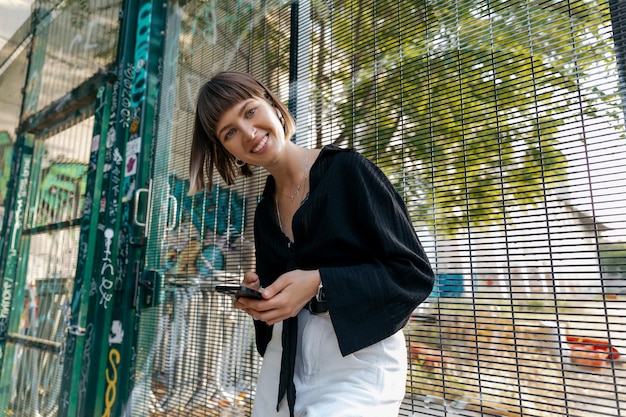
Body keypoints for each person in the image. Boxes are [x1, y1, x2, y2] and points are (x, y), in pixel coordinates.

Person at [189, 71, 434, 417]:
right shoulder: (264, 213)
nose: (248, 133)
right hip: (285, 363)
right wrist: (261, 303)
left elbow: (413, 275)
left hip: (358, 362)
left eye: (249, 112)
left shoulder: (348, 171)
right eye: (229, 132)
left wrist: (320, 281)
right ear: (227, 149)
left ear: (273, 106)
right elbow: (281, 308)